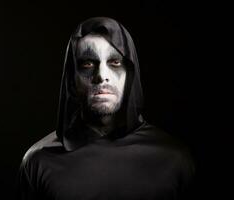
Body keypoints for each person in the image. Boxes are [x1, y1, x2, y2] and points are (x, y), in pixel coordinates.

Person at [17, 17, 195, 200]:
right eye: (87, 63)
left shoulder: (175, 158)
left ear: (130, 74)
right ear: (71, 80)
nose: (102, 76)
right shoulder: (38, 161)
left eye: (115, 62)